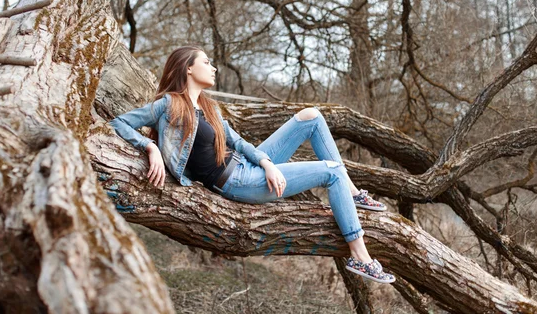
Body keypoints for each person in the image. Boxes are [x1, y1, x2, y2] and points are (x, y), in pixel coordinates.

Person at [109, 46, 395, 283]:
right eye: (206, 62)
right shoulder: (169, 104)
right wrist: (151, 148)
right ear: (188, 69)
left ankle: (354, 193)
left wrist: (267, 162)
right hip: (238, 182)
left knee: (311, 115)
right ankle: (360, 257)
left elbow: (239, 142)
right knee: (331, 171)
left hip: (249, 165)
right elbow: (119, 123)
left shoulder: (210, 108)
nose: (214, 67)